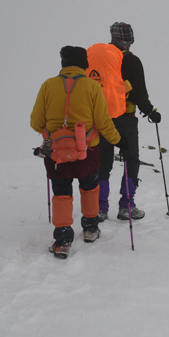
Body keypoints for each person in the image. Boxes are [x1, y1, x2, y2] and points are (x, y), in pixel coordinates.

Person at [30, 46, 121, 259]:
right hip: (87, 149)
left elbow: (36, 122)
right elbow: (103, 121)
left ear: (63, 63)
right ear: (84, 65)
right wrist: (118, 141)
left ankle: (62, 240)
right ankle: (90, 229)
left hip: (56, 152)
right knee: (89, 187)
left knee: (62, 192)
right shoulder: (91, 86)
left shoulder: (48, 85)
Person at [87, 22, 161, 222]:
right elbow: (139, 93)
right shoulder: (132, 60)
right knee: (130, 160)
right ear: (130, 39)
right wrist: (151, 112)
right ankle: (126, 206)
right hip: (125, 119)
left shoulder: (97, 59)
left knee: (103, 162)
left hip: (101, 119)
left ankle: (100, 208)